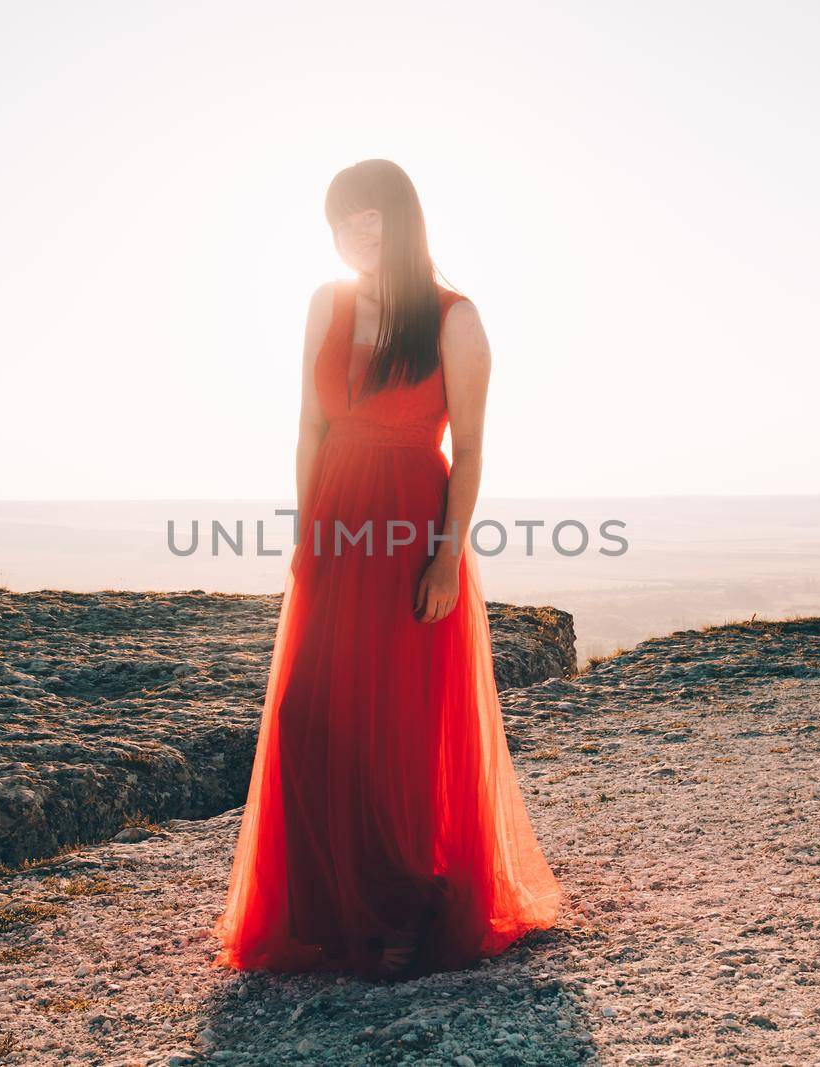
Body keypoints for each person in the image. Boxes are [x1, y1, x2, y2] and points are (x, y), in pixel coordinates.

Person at [212, 159, 562, 981]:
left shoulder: (454, 318)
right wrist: (307, 534)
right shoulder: (325, 304)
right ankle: (323, 908)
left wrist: (447, 554)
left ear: (404, 222)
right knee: (308, 714)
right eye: (341, 223)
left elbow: (468, 448)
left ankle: (401, 909)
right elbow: (310, 423)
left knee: (400, 731)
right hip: (335, 528)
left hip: (411, 533)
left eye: (369, 219)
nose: (354, 237)